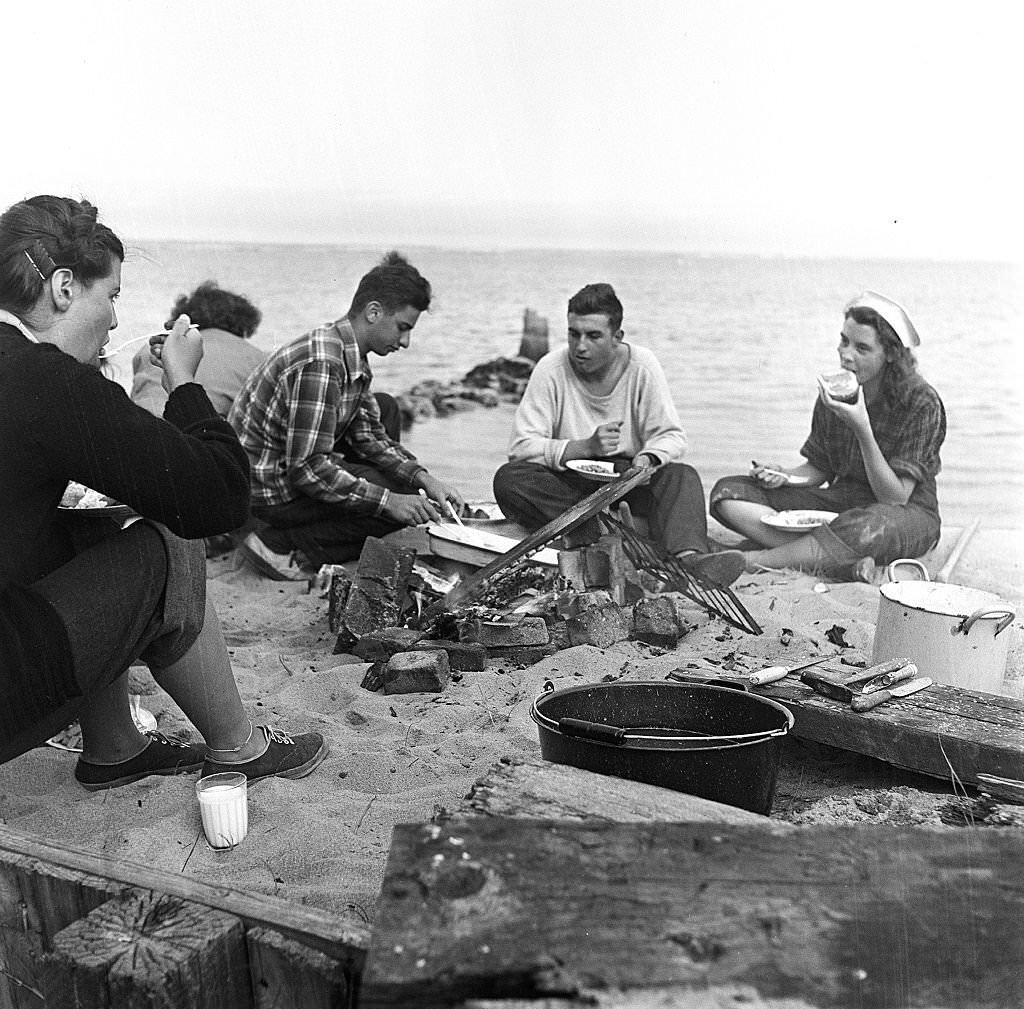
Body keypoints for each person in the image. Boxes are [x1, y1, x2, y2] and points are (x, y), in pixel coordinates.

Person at [0, 195, 327, 789]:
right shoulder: (39, 378)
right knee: (170, 533)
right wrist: (183, 382)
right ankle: (239, 746)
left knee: (89, 527)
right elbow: (216, 497)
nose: (114, 322)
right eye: (112, 296)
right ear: (64, 288)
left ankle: (116, 747)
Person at [228, 251, 466, 578]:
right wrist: (389, 502)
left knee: (397, 455)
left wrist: (424, 479)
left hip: (284, 476)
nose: (406, 342)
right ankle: (280, 544)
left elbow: (369, 437)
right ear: (373, 312)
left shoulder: (350, 354)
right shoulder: (322, 362)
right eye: (402, 328)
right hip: (265, 494)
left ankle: (311, 536)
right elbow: (307, 468)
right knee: (395, 506)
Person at [493, 282, 745, 586]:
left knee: (681, 476)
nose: (580, 346)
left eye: (593, 336)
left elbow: (672, 436)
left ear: (617, 337)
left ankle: (689, 559)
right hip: (570, 484)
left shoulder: (642, 366)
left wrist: (648, 458)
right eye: (573, 334)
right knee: (509, 479)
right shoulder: (551, 369)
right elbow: (521, 447)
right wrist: (584, 446)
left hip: (626, 479)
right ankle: (616, 538)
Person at [710, 291, 946, 581]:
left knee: (867, 526)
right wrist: (784, 475)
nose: (846, 355)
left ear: (891, 355)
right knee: (728, 492)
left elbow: (894, 497)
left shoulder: (921, 402)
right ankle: (834, 558)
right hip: (842, 501)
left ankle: (755, 561)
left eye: (862, 348)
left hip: (906, 514)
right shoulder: (835, 392)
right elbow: (819, 469)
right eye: (844, 341)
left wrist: (862, 429)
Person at [131, 280, 266, 417]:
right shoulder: (258, 360)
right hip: (204, 425)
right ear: (244, 323)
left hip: (142, 422)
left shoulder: (152, 349)